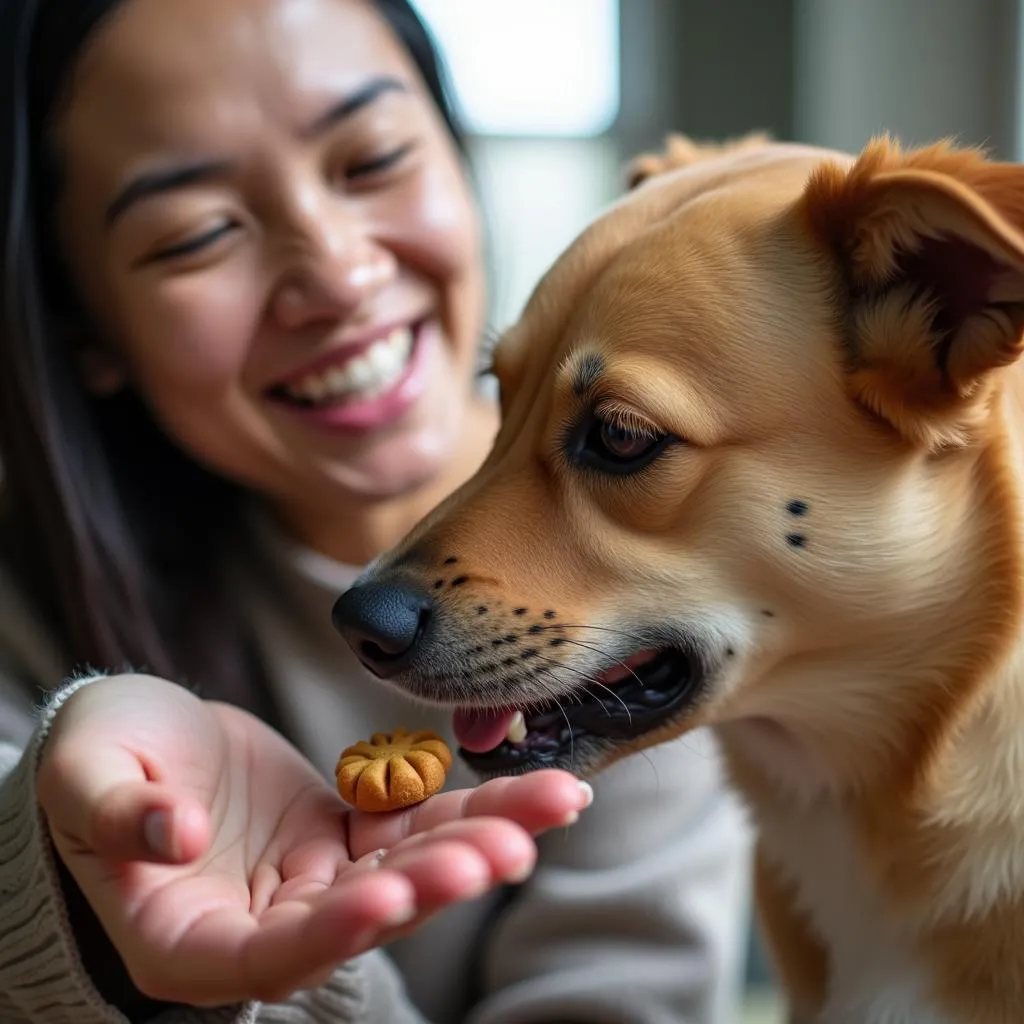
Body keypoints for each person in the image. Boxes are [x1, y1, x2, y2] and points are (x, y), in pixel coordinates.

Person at [0, 0, 753, 1021]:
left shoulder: (657, 569)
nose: (339, 274)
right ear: (86, 328)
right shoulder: (30, 610)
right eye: (200, 232)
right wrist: (58, 849)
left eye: (372, 160)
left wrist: (300, 972)